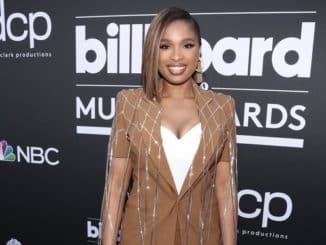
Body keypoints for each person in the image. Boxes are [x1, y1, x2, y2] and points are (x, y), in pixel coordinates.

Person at [99, 7, 238, 245]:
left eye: (187, 45)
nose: (176, 56)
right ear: (153, 52)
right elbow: (116, 187)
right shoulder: (129, 103)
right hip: (142, 237)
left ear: (199, 51)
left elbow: (225, 190)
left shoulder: (222, 107)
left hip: (203, 237)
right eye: (165, 46)